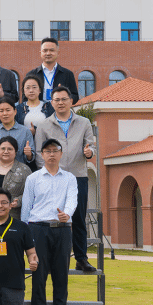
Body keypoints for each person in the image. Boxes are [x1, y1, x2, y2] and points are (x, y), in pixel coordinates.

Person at [32, 85, 98, 273]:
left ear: (71, 101)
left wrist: (89, 152)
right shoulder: (44, 125)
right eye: (57, 100)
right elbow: (39, 154)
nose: (60, 103)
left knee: (78, 218)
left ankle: (81, 258)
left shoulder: (84, 122)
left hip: (78, 176)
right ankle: (48, 257)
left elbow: (91, 146)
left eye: (64, 99)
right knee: (51, 218)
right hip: (54, 177)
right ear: (51, 103)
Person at [21, 138, 79, 305]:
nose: (52, 154)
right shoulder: (33, 178)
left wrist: (67, 214)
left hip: (62, 229)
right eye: (47, 151)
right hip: (38, 229)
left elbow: (72, 199)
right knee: (38, 278)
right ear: (42, 154)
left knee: (61, 278)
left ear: (61, 154)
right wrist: (25, 235)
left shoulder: (69, 178)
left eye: (55, 150)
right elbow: (26, 207)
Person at [0, 99, 36, 170]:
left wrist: (29, 154)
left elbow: (30, 158)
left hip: (17, 173)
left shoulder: (25, 132)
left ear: (15, 111)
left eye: (8, 110)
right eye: (1, 111)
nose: (5, 113)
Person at [24, 37, 79, 106]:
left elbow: (75, 97)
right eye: (45, 50)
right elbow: (24, 98)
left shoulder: (67, 74)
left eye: (52, 50)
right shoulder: (31, 74)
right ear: (40, 53)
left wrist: (64, 94)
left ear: (58, 53)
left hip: (59, 110)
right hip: (38, 110)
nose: (48, 53)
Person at [0, 137, 32, 218]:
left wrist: (18, 201)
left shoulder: (24, 170)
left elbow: (31, 193)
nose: (6, 151)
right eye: (3, 148)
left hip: (14, 215)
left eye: (10, 149)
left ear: (15, 152)